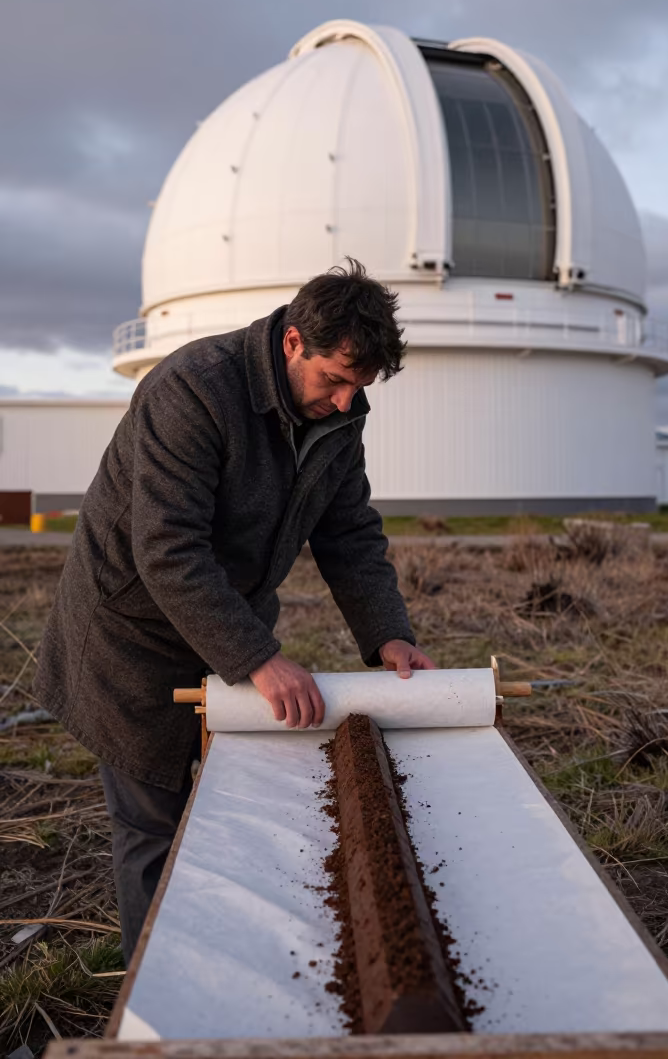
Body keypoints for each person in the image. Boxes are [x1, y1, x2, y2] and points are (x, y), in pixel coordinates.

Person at [33, 258, 435, 962]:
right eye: (335, 379)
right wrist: (258, 658)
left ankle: (235, 962)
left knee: (229, 802)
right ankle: (159, 999)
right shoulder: (194, 389)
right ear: (292, 343)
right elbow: (167, 548)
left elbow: (347, 531)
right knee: (153, 827)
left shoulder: (340, 414)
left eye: (360, 387)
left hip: (226, 620)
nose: (346, 402)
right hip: (131, 635)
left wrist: (388, 635)